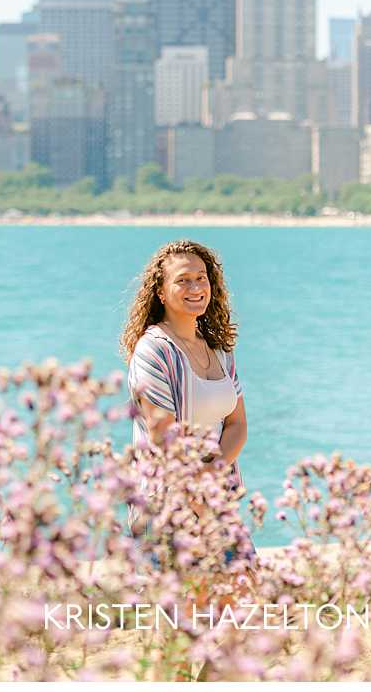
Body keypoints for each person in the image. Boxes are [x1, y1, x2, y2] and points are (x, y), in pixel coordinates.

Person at [120, 239, 251, 561]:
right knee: (172, 610)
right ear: (161, 293)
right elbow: (163, 437)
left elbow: (237, 424)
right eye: (183, 279)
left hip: (217, 500)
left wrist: (211, 478)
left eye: (202, 277)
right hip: (166, 509)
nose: (196, 287)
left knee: (241, 600)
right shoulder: (154, 350)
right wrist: (198, 495)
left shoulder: (220, 350)